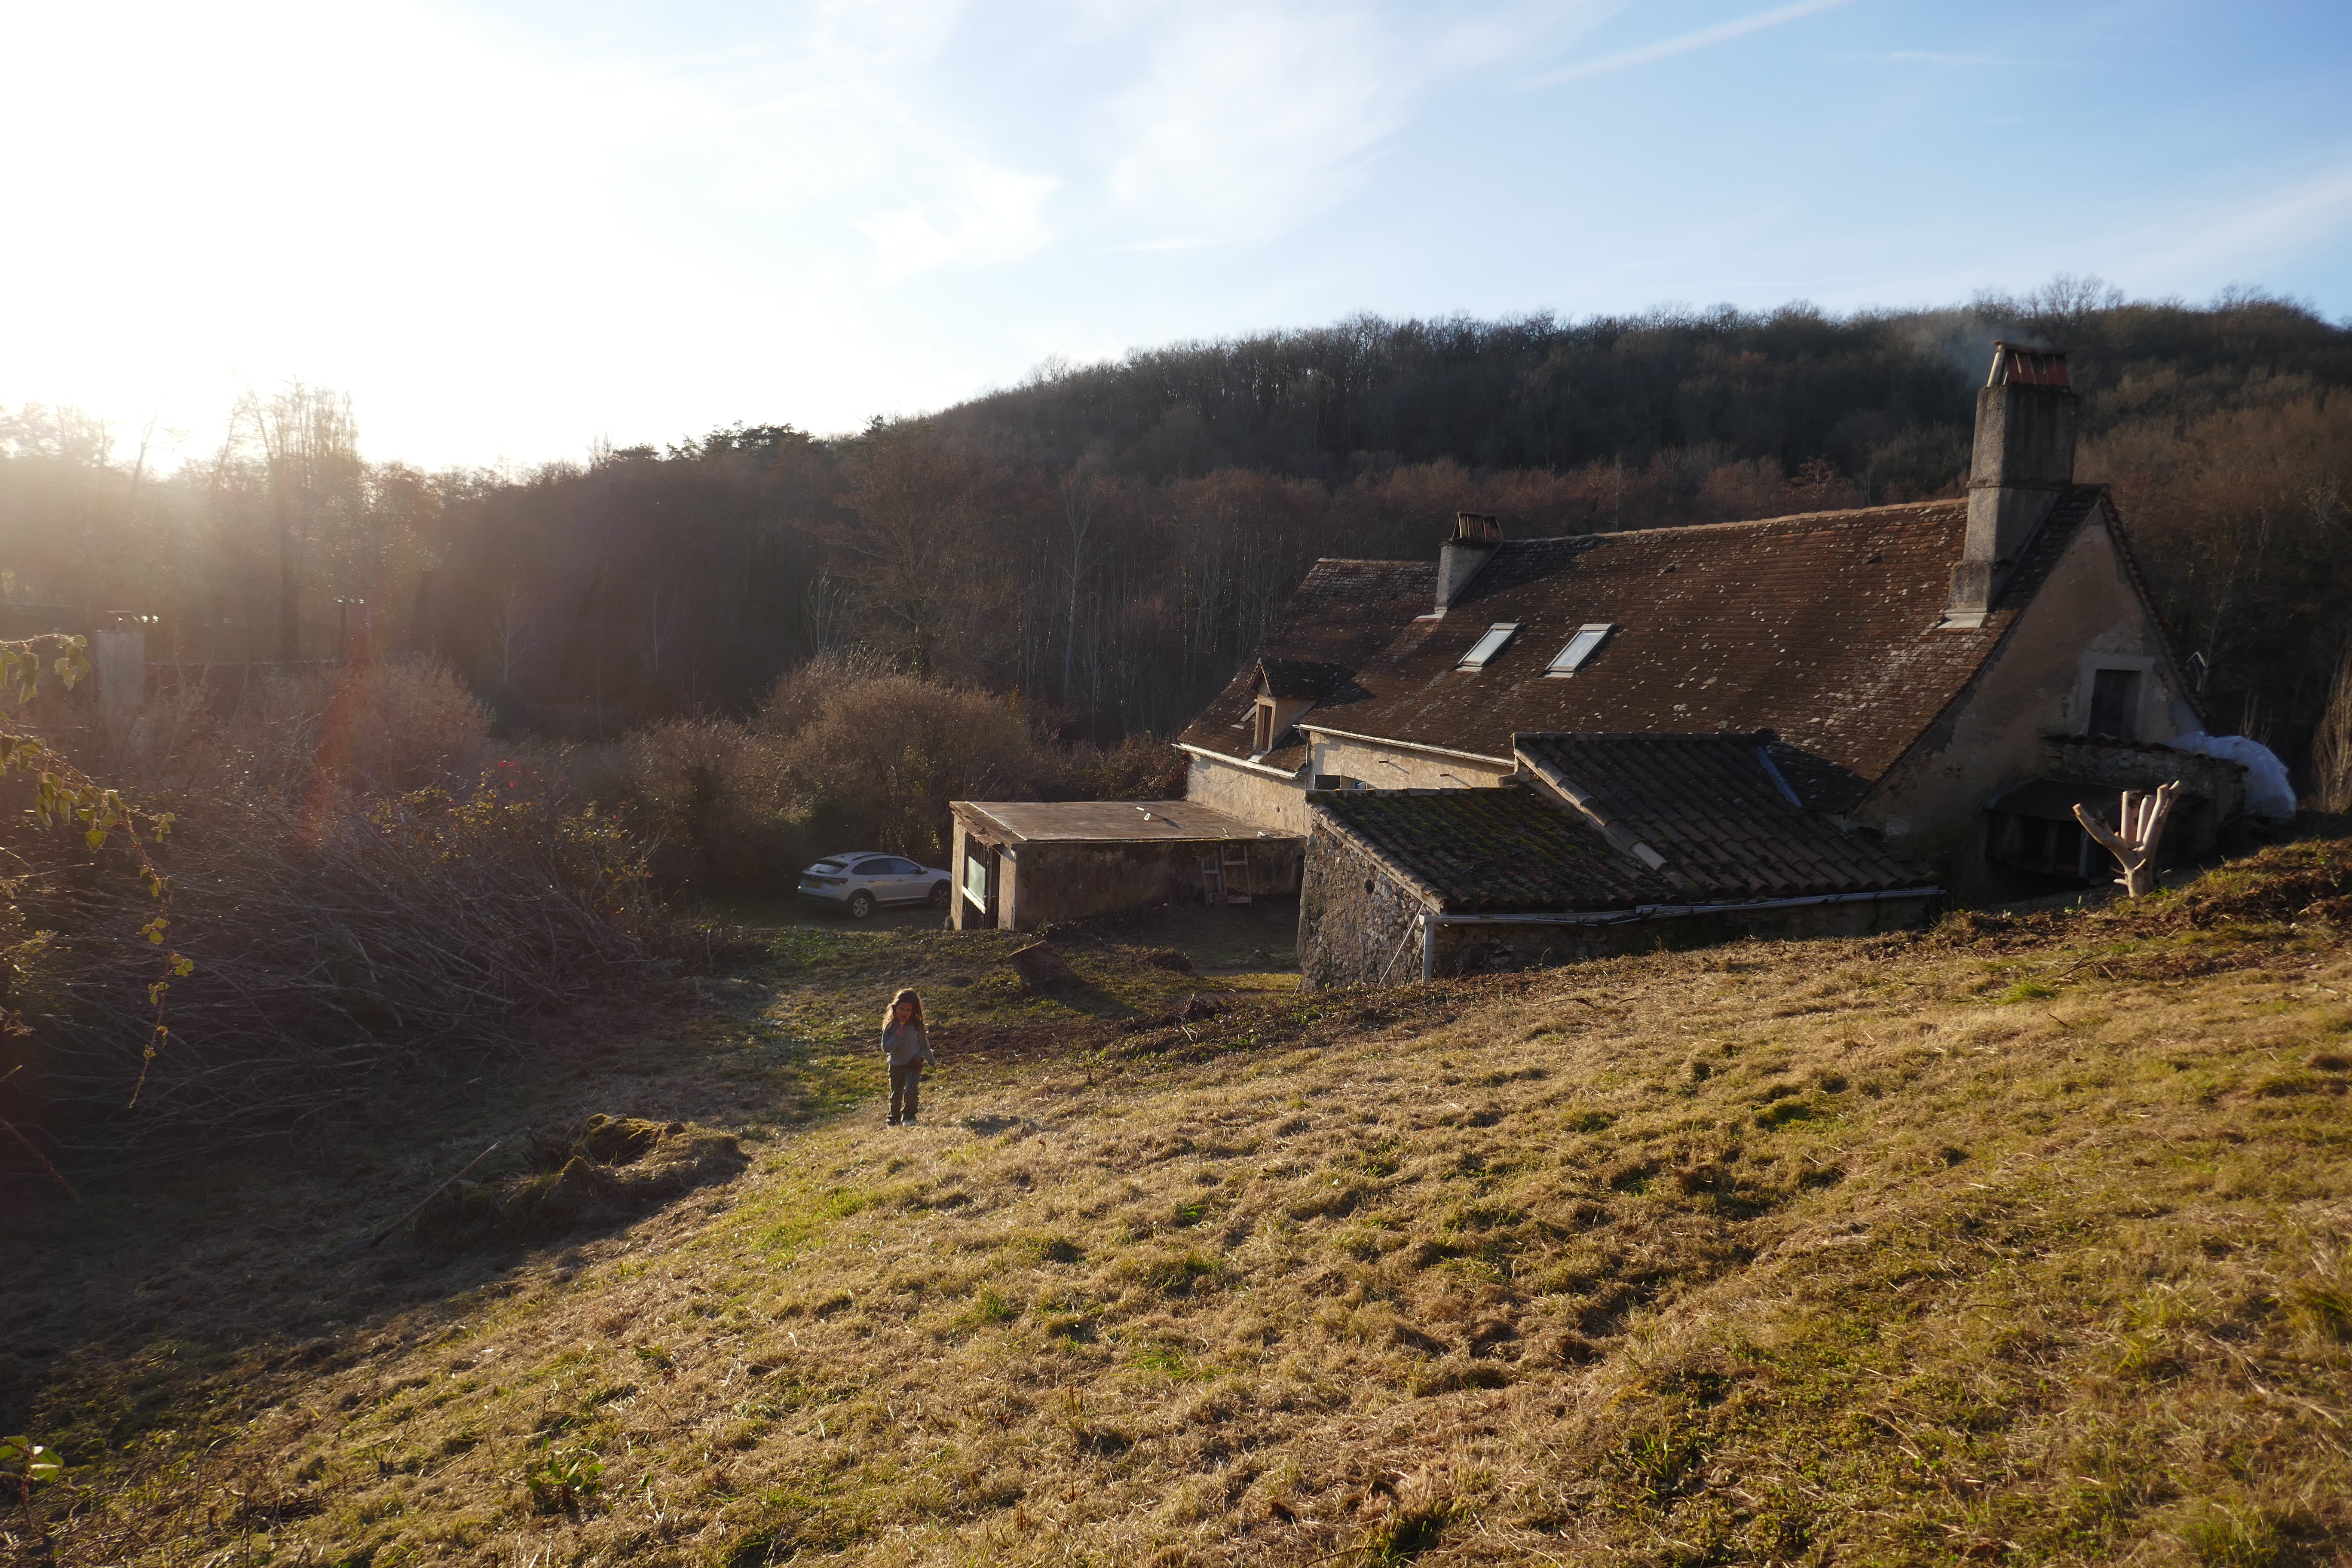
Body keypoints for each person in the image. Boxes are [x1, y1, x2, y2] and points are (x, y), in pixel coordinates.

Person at [882, 988, 934, 1126]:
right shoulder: (891, 1026)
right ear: (895, 1008)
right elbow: (886, 1048)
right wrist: (897, 1038)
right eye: (902, 1009)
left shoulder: (917, 1025)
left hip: (913, 1063)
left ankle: (910, 1117)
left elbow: (924, 1044)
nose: (905, 1013)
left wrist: (925, 1058)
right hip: (896, 1065)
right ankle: (894, 1119)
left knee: (912, 1090)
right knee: (896, 1094)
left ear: (914, 1011)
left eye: (909, 1010)